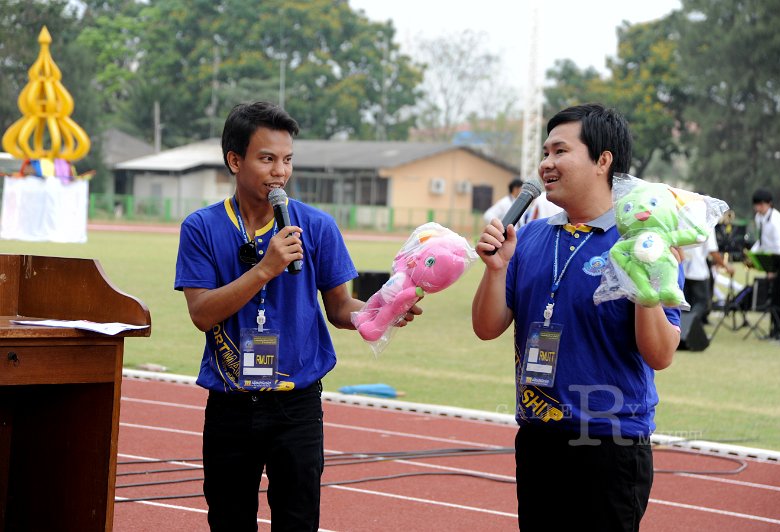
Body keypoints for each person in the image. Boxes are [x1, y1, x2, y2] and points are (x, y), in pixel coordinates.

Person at [174, 101, 421, 531]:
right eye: (266, 159)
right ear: (235, 160)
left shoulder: (317, 226)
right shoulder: (201, 227)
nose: (280, 173)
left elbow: (341, 309)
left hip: (297, 406)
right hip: (231, 405)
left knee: (298, 521)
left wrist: (385, 309)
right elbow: (201, 313)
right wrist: (265, 269)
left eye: (287, 160)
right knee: (229, 521)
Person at [472, 103, 681, 531]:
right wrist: (496, 270)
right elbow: (486, 327)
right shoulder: (528, 237)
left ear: (603, 160)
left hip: (610, 441)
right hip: (537, 438)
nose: (546, 163)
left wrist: (646, 289)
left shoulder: (643, 242)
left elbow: (660, 354)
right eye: (545, 153)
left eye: (560, 151)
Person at [750, 188, 780, 341]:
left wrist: (775, 270)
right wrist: (751, 254)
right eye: (757, 205)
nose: (758, 208)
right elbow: (762, 241)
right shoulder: (759, 218)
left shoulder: (777, 220)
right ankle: (772, 331)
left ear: (769, 204)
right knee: (771, 298)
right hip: (770, 261)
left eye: (761, 205)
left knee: (779, 299)